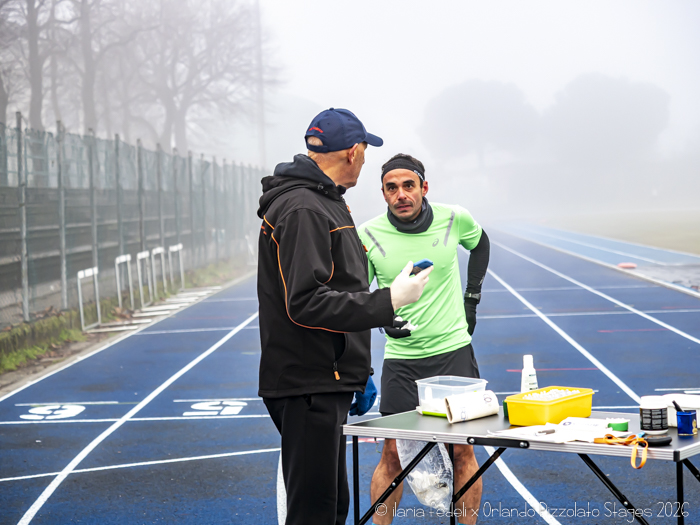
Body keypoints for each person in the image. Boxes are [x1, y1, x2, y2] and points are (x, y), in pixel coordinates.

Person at [256, 110, 434, 525]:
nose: (365, 160)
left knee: (333, 507)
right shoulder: (305, 208)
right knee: (315, 513)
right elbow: (306, 301)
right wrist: (389, 301)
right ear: (354, 152)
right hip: (309, 382)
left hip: (326, 378)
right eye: (366, 152)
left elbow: (340, 286)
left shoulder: (324, 200)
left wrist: (358, 364)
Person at [358, 153, 490, 525]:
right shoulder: (367, 235)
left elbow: (480, 244)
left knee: (463, 452)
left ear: (424, 187)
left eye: (408, 186)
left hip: (453, 353)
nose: (401, 194)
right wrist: (384, 317)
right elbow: (358, 298)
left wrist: (471, 299)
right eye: (391, 188)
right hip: (402, 360)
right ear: (383, 193)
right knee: (392, 456)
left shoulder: (454, 218)